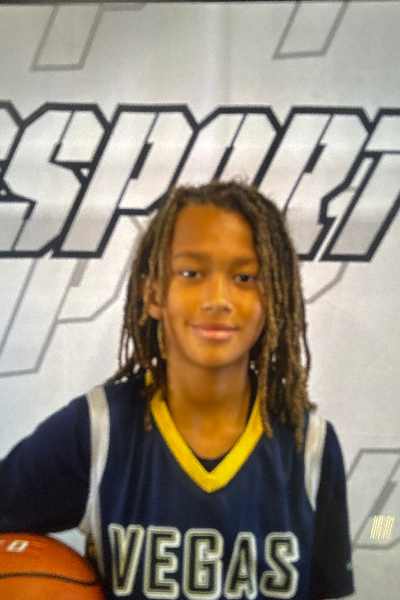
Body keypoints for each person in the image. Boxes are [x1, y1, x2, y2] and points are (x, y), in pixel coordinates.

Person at [0, 181, 354, 600]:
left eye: (244, 277)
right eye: (191, 273)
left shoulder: (309, 446)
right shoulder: (97, 430)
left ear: (274, 297)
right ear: (153, 293)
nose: (218, 298)